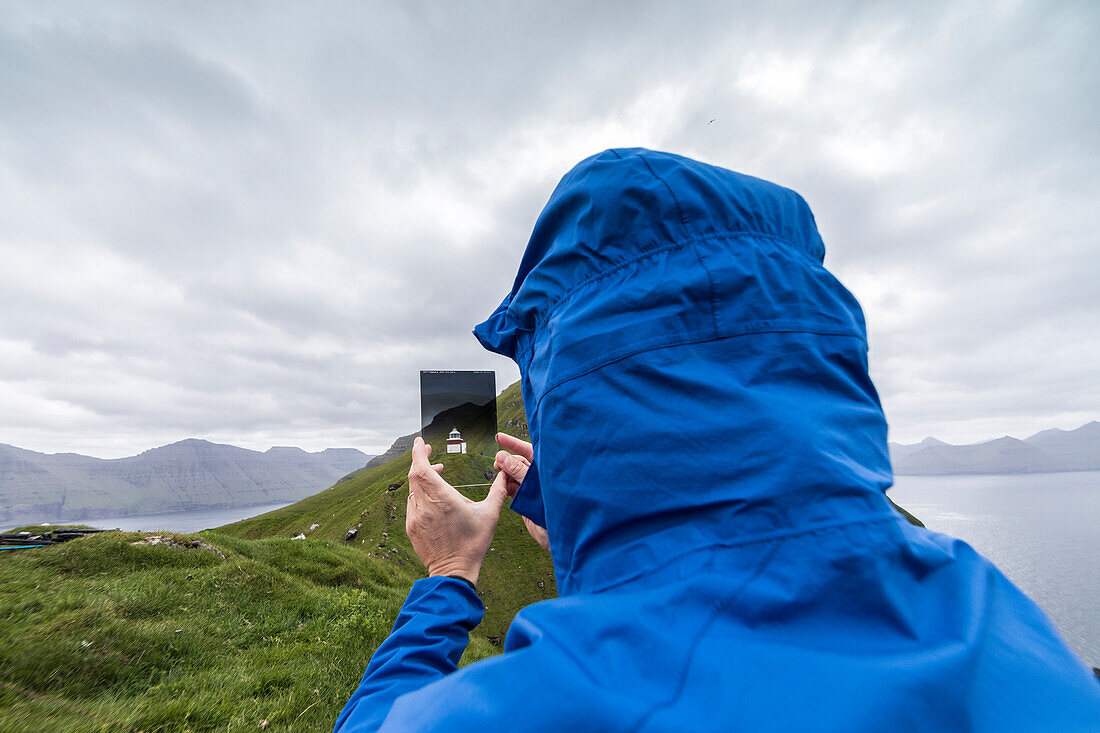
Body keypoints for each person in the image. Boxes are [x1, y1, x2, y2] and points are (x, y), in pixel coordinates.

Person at [333, 149, 1100, 731]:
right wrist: (572, 513)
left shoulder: (557, 702)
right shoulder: (1000, 613)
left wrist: (447, 570)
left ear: (567, 391)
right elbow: (735, 512)